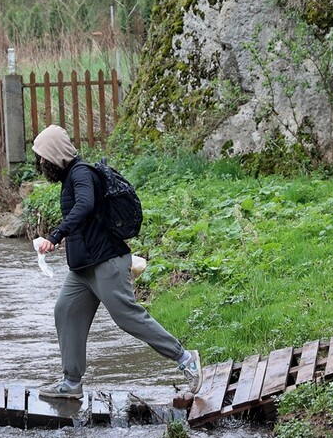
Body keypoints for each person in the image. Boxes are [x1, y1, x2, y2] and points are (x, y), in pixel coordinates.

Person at [32, 125, 204, 399]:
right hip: (83, 268)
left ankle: (185, 358)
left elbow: (85, 205)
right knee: (65, 311)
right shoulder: (71, 177)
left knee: (127, 316)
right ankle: (72, 382)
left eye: (43, 157)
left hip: (106, 262)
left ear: (54, 154)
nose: (41, 163)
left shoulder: (82, 174)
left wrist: (56, 235)